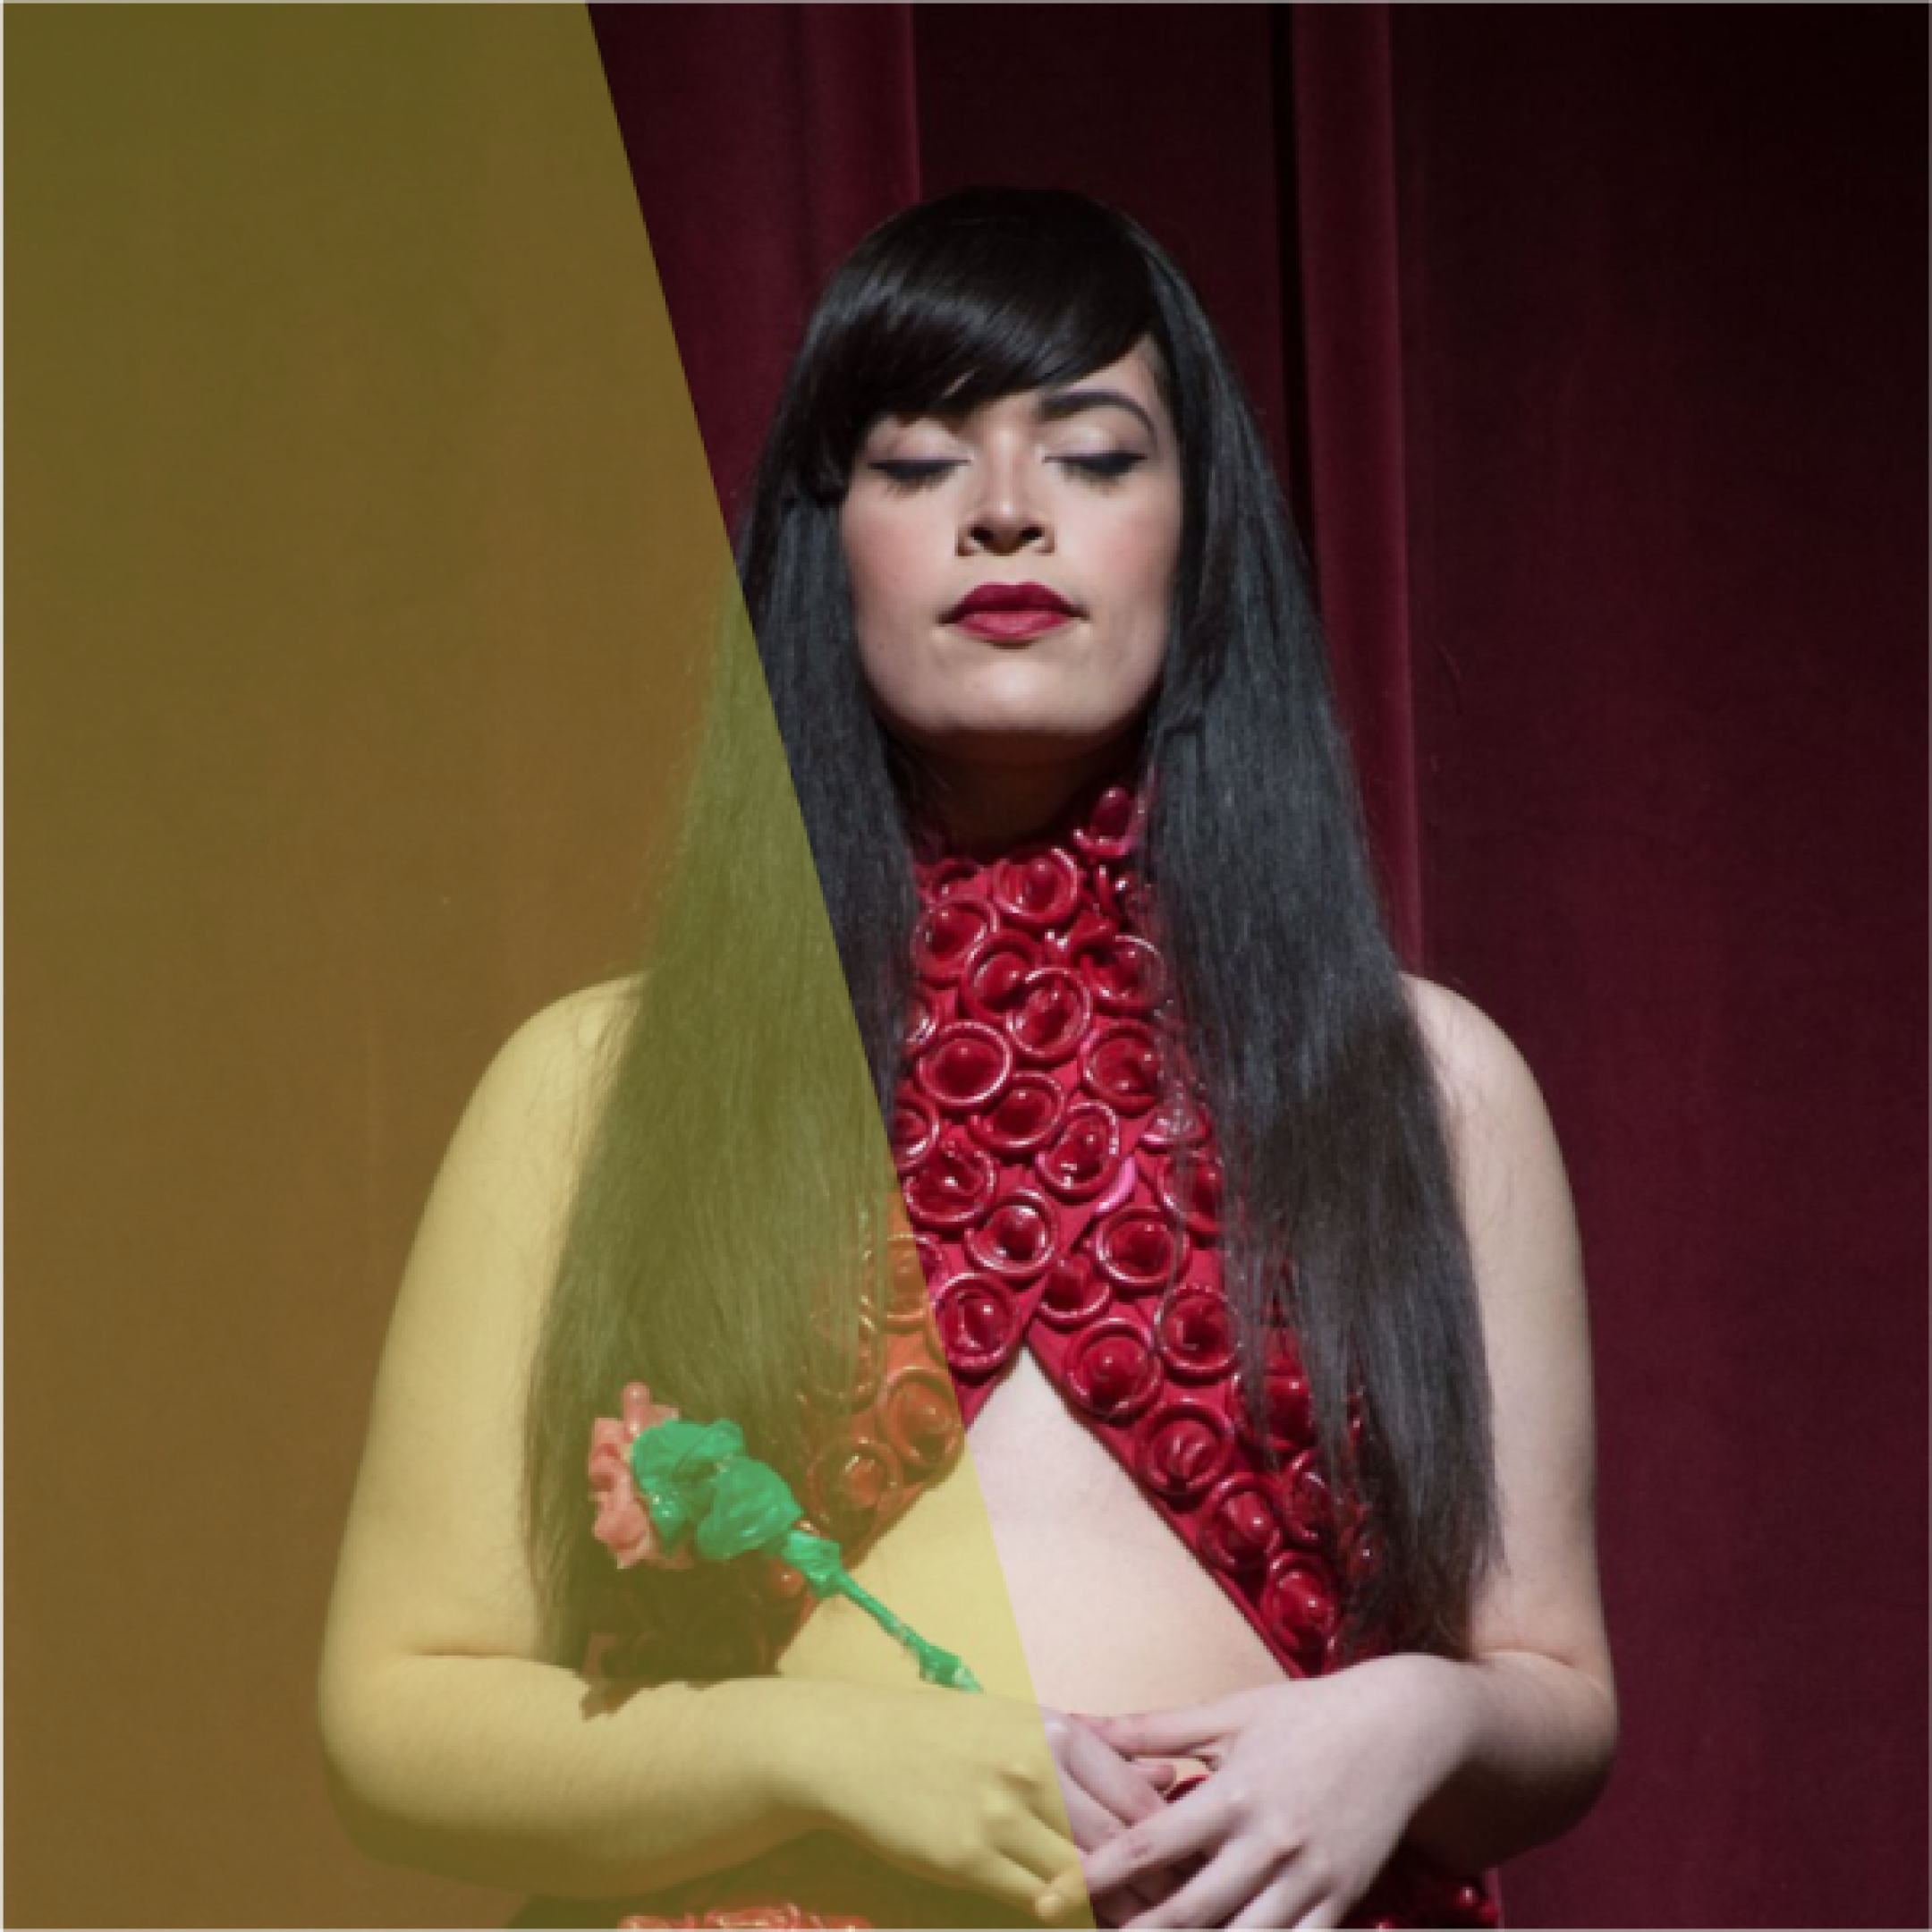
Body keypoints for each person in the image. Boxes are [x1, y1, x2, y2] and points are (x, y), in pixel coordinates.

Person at [318, 188, 1617, 1932]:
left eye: (1092, 455)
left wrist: (1414, 1719)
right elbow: (399, 1716)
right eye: (921, 463)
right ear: (820, 535)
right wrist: (824, 1753)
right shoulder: (599, 1082)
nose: (1008, 514)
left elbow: (1555, 1687)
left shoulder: (1429, 1081)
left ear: (1197, 531)